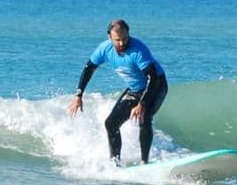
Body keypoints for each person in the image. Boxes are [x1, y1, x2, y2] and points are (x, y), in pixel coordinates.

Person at [67, 19, 167, 165]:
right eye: (117, 40)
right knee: (111, 124)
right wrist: (79, 94)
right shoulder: (104, 49)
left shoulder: (138, 50)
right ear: (109, 37)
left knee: (144, 117)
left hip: (156, 86)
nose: (121, 43)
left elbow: (152, 79)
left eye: (125, 38)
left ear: (129, 34)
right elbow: (89, 68)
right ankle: (115, 163)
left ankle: (144, 161)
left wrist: (142, 104)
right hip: (135, 89)